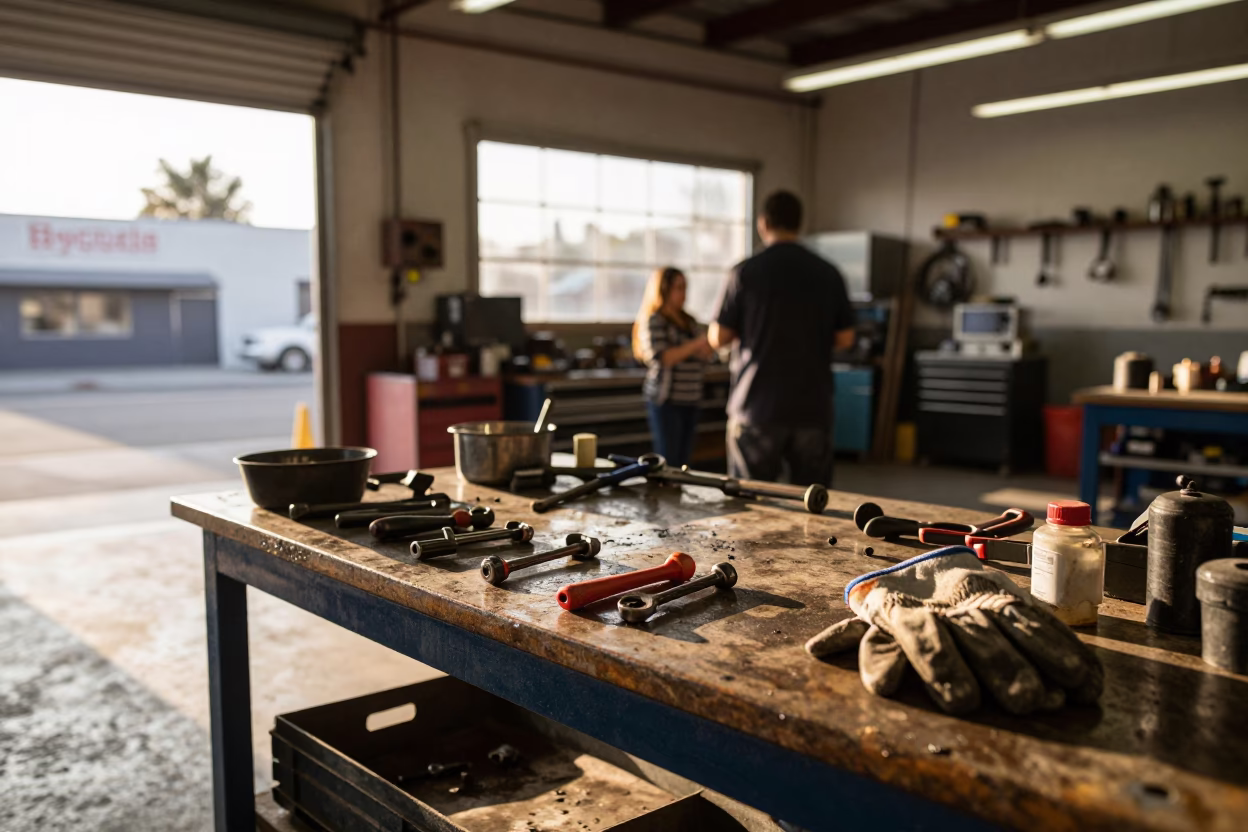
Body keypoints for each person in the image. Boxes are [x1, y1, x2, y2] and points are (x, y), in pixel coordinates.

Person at [709, 190, 855, 486]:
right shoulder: (828, 273)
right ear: (799, 224)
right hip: (811, 407)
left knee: (751, 505)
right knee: (813, 505)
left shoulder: (745, 272)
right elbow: (846, 339)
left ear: (763, 223)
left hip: (757, 406)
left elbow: (719, 337)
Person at [633, 266, 714, 467]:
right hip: (667, 400)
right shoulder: (655, 320)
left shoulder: (689, 321)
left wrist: (696, 349)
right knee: (668, 459)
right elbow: (662, 357)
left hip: (691, 398)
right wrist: (694, 345)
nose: (684, 294)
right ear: (664, 289)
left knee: (684, 460)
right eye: (678, 288)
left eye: (685, 287)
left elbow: (706, 353)